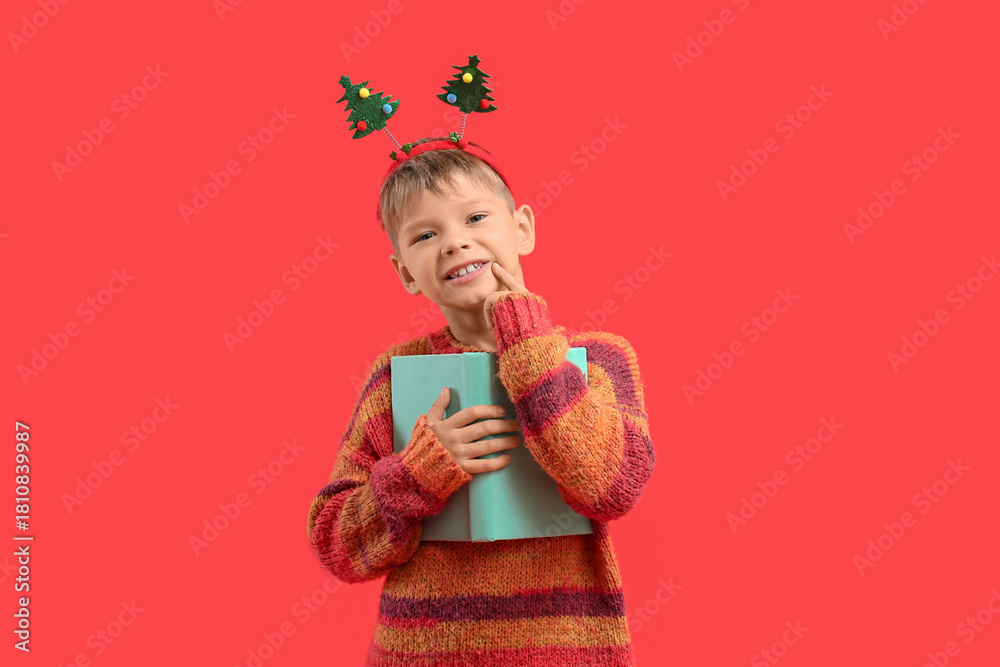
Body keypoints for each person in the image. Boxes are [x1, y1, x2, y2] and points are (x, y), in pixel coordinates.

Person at [306, 135, 656, 666]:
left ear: (522, 229)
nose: (454, 243)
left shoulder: (599, 360)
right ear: (404, 271)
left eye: (474, 219)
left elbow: (608, 488)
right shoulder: (395, 380)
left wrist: (525, 337)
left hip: (566, 652)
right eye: (426, 234)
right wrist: (415, 474)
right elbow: (337, 544)